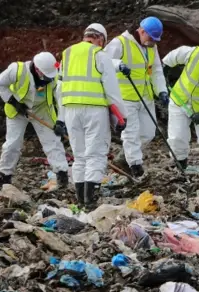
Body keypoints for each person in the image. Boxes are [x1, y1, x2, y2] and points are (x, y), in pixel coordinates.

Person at [56, 23, 127, 210]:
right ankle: (90, 202)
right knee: (96, 154)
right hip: (94, 110)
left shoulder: (67, 54)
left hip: (71, 110)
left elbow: (60, 88)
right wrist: (121, 117)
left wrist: (60, 118)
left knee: (79, 156)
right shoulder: (100, 55)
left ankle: (80, 201)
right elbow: (112, 91)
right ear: (101, 39)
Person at [104, 17, 168, 178]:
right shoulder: (121, 42)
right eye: (151, 38)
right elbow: (103, 61)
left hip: (145, 96)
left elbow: (157, 70)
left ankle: (123, 158)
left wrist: (161, 91)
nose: (153, 42)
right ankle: (135, 166)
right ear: (141, 31)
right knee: (131, 133)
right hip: (126, 97)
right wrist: (118, 65)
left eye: (155, 39)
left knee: (148, 133)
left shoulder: (152, 47)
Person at [0, 52, 69, 188]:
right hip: (18, 110)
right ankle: (4, 176)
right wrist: (13, 101)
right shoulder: (17, 70)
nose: (48, 79)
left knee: (52, 141)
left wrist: (60, 122)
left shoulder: (56, 76)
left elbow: (61, 100)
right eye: (46, 76)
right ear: (37, 69)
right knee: (13, 143)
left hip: (42, 109)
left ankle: (62, 173)